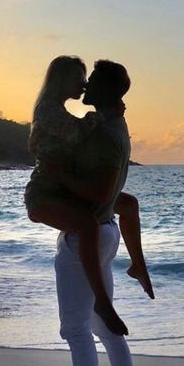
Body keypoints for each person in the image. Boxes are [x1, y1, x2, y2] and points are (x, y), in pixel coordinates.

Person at [25, 57, 153, 335]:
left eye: (87, 79)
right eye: (79, 79)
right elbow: (77, 133)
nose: (84, 85)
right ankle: (102, 302)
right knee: (86, 224)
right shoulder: (48, 110)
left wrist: (106, 116)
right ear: (61, 81)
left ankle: (138, 267)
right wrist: (104, 115)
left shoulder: (60, 110)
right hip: (45, 192)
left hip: (61, 186)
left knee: (128, 204)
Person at [52, 59, 149, 366]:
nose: (86, 85)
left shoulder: (108, 134)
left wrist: (61, 177)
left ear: (107, 90)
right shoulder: (113, 126)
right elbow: (119, 198)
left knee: (75, 330)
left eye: (92, 81)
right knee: (104, 327)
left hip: (86, 236)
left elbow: (104, 190)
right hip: (105, 230)